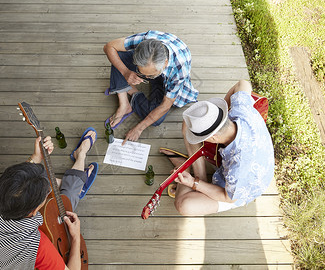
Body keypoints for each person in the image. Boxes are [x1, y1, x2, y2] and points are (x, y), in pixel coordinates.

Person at [0, 129, 97, 270]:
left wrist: (35, 157)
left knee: (60, 194)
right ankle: (80, 157)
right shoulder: (38, 247)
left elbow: (17, 184)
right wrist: (75, 238)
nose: (47, 192)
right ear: (34, 211)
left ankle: (75, 178)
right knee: (65, 201)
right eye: (45, 194)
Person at [160, 80, 274, 215]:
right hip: (233, 151)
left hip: (237, 189)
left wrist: (192, 183)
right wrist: (227, 106)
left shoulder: (240, 167)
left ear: (213, 138)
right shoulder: (240, 109)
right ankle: (199, 176)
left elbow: (229, 197)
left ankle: (189, 171)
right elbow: (243, 84)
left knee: (184, 205)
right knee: (189, 122)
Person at [103, 30, 198, 145]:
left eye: (150, 75)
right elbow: (109, 47)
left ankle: (133, 92)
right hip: (154, 67)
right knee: (118, 56)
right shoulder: (145, 40)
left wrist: (139, 128)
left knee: (157, 120)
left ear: (165, 63)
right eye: (141, 72)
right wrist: (125, 72)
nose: (145, 78)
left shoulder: (180, 69)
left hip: (167, 82)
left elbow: (166, 104)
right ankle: (124, 105)